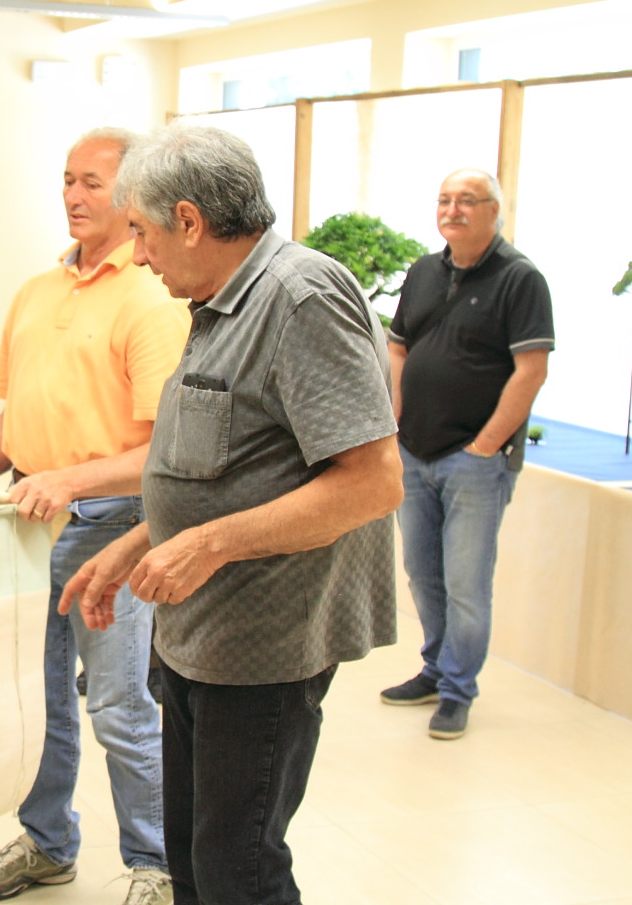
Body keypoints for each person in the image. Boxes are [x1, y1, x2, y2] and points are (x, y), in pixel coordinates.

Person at [59, 122, 403, 905]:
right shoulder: (217, 299)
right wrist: (138, 542)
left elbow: (372, 483)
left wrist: (207, 544)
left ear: (189, 221)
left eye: (142, 233)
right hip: (198, 630)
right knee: (191, 857)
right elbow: (228, 466)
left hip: (264, 641)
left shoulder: (301, 298)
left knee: (237, 870)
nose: (136, 256)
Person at [0, 127, 188, 905]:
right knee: (33, 700)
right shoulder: (36, 290)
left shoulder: (151, 298)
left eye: (92, 183)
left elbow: (164, 452)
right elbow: (11, 409)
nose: (74, 196)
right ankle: (47, 845)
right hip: (24, 520)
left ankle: (156, 865)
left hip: (108, 526)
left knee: (118, 708)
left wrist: (70, 480)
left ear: (133, 196)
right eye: (67, 179)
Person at [380, 168, 554, 739]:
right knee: (422, 574)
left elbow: (530, 371)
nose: (452, 210)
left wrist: (485, 446)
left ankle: (457, 691)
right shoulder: (423, 272)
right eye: (445, 200)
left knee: (466, 584)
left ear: (493, 211)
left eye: (467, 201)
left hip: (475, 461)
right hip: (415, 450)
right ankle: (435, 668)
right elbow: (399, 348)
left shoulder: (520, 279)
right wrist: (396, 419)